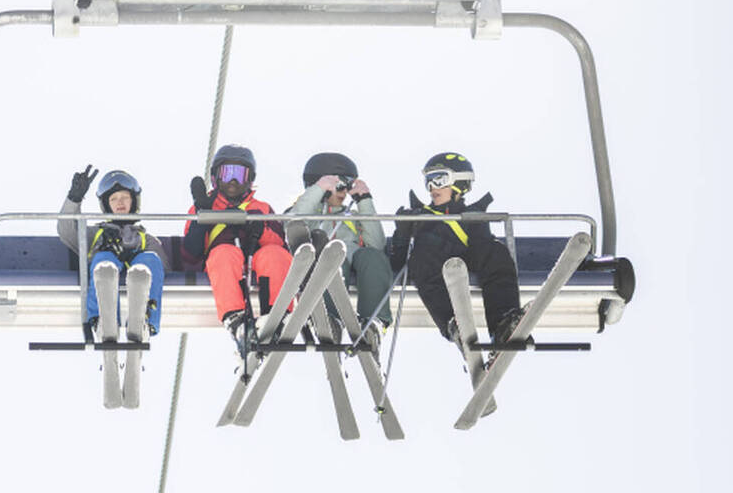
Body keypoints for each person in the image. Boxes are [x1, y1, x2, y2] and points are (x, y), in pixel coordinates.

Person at [386, 152, 525, 346]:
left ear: (460, 182)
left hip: (466, 259)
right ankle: (453, 325)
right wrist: (402, 234)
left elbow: (483, 250)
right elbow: (396, 265)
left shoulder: (472, 216)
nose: (432, 187)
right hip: (434, 266)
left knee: (496, 251)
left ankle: (503, 322)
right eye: (428, 182)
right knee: (421, 257)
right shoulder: (419, 217)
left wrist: (484, 237)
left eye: (439, 179)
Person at [283, 151, 392, 352]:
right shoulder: (305, 213)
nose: (344, 192)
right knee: (331, 255)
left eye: (347, 186)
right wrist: (318, 192)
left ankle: (374, 324)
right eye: (340, 185)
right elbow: (293, 225)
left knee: (372, 257)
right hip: (324, 267)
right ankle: (330, 320)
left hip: (354, 264)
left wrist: (364, 201)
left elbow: (377, 245)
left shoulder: (353, 216)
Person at [182, 144, 291, 346]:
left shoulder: (261, 208)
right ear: (216, 177)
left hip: (256, 261)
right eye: (227, 173)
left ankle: (277, 315)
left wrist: (258, 228)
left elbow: (278, 242)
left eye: (240, 175)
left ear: (250, 179)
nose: (233, 181)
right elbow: (191, 253)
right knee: (224, 253)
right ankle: (236, 319)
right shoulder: (205, 205)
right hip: (223, 263)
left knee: (274, 254)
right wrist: (202, 215)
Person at [60, 166, 164, 339]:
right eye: (114, 199)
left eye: (125, 197)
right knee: (104, 259)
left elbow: (162, 268)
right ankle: (103, 321)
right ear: (106, 205)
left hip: (138, 279)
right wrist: (74, 199)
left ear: (134, 201)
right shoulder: (96, 234)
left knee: (150, 260)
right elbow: (67, 231)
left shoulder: (146, 239)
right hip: (103, 274)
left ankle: (144, 321)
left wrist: (131, 255)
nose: (119, 202)